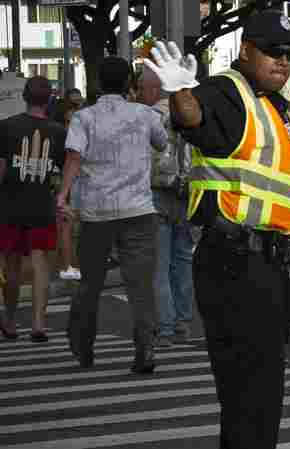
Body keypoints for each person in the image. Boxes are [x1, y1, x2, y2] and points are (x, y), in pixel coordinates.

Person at [144, 10, 290, 449]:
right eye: (274, 51)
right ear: (246, 50)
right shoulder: (226, 92)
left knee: (262, 393)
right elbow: (194, 121)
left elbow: (286, 189)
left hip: (273, 265)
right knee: (248, 394)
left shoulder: (278, 110)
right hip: (237, 265)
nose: (284, 61)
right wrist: (178, 91)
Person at [56, 56, 169, 373]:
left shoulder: (84, 118)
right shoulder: (144, 115)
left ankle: (83, 347)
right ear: (128, 85)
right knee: (140, 285)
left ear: (97, 85)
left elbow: (74, 157)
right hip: (139, 211)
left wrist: (63, 194)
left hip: (96, 213)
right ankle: (145, 348)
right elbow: (161, 144)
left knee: (90, 284)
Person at [0, 76, 67, 342]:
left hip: (10, 205)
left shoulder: (6, 127)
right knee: (41, 265)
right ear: (50, 99)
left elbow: (1, 169)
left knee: (12, 265)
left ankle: (11, 319)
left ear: (24, 97)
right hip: (43, 205)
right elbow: (62, 172)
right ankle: (39, 324)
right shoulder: (59, 132)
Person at [137, 66, 195, 347]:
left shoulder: (148, 117)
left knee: (159, 264)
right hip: (187, 193)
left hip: (156, 194)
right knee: (183, 261)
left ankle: (166, 327)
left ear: (152, 90)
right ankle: (184, 322)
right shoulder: (187, 113)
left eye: (140, 88)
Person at [50, 87, 85, 281]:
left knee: (70, 224)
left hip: (75, 180)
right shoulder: (60, 137)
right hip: (63, 180)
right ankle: (67, 265)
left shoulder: (72, 134)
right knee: (65, 224)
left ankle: (69, 264)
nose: (72, 125)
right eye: (69, 121)